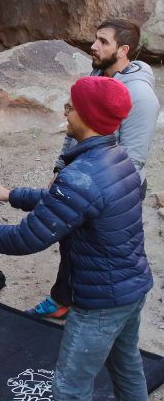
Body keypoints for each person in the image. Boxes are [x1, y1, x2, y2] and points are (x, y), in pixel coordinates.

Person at [0, 76, 153, 401]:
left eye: (72, 105)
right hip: (131, 287)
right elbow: (67, 202)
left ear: (88, 116)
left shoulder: (81, 176)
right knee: (126, 367)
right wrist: (11, 195)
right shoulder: (116, 157)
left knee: (69, 389)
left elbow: (27, 238)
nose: (66, 110)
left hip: (101, 301)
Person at [31, 18, 159, 319]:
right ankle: (63, 297)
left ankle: (97, 310)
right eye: (96, 39)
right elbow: (76, 129)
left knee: (101, 252)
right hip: (85, 177)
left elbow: (133, 158)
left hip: (115, 186)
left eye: (103, 41)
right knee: (73, 243)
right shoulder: (100, 74)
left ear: (123, 49)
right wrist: (60, 170)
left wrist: (85, 183)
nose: (93, 45)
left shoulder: (140, 96)